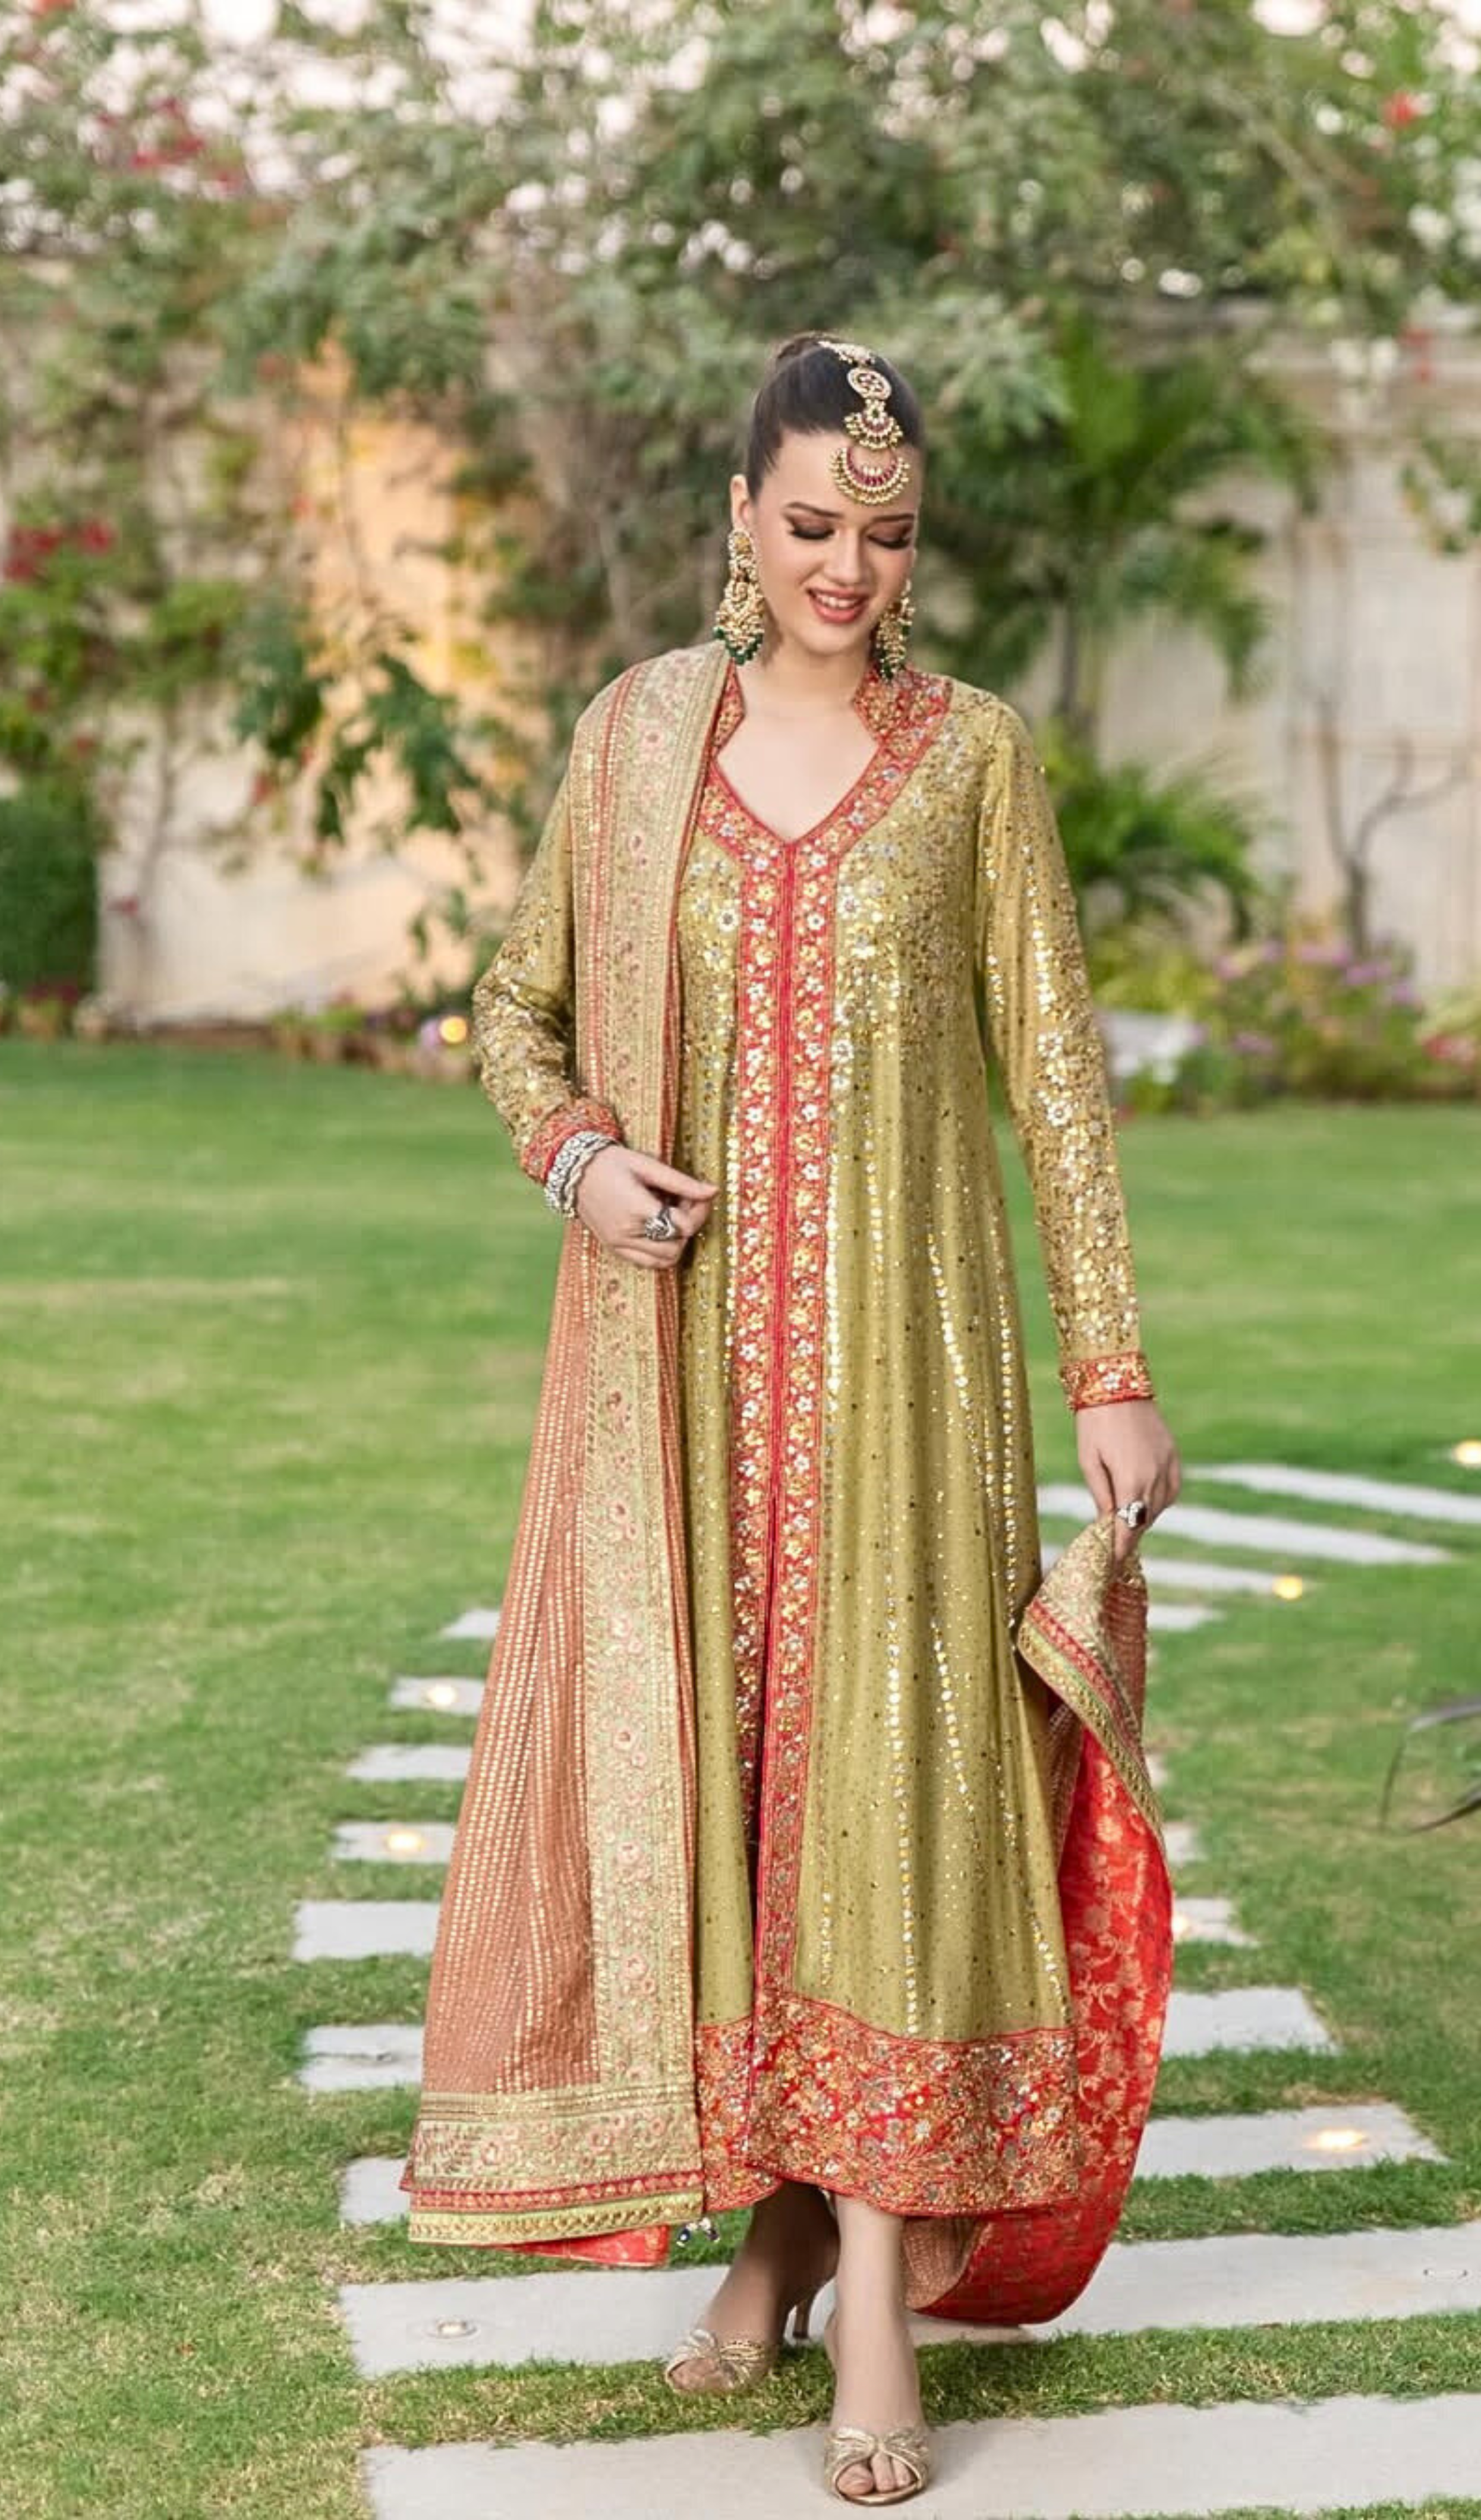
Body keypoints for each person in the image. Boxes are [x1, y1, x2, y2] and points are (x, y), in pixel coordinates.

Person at [398, 331, 1183, 2508]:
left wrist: (1110, 1366)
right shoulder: (641, 739)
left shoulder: (977, 763)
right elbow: (514, 1006)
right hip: (684, 1395)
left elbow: (1061, 1081)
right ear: (742, 519)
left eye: (887, 534)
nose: (848, 565)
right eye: (812, 525)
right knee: (736, 1802)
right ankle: (760, 2236)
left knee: (889, 1800)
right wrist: (575, 1159)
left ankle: (872, 2302)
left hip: (913, 1398)